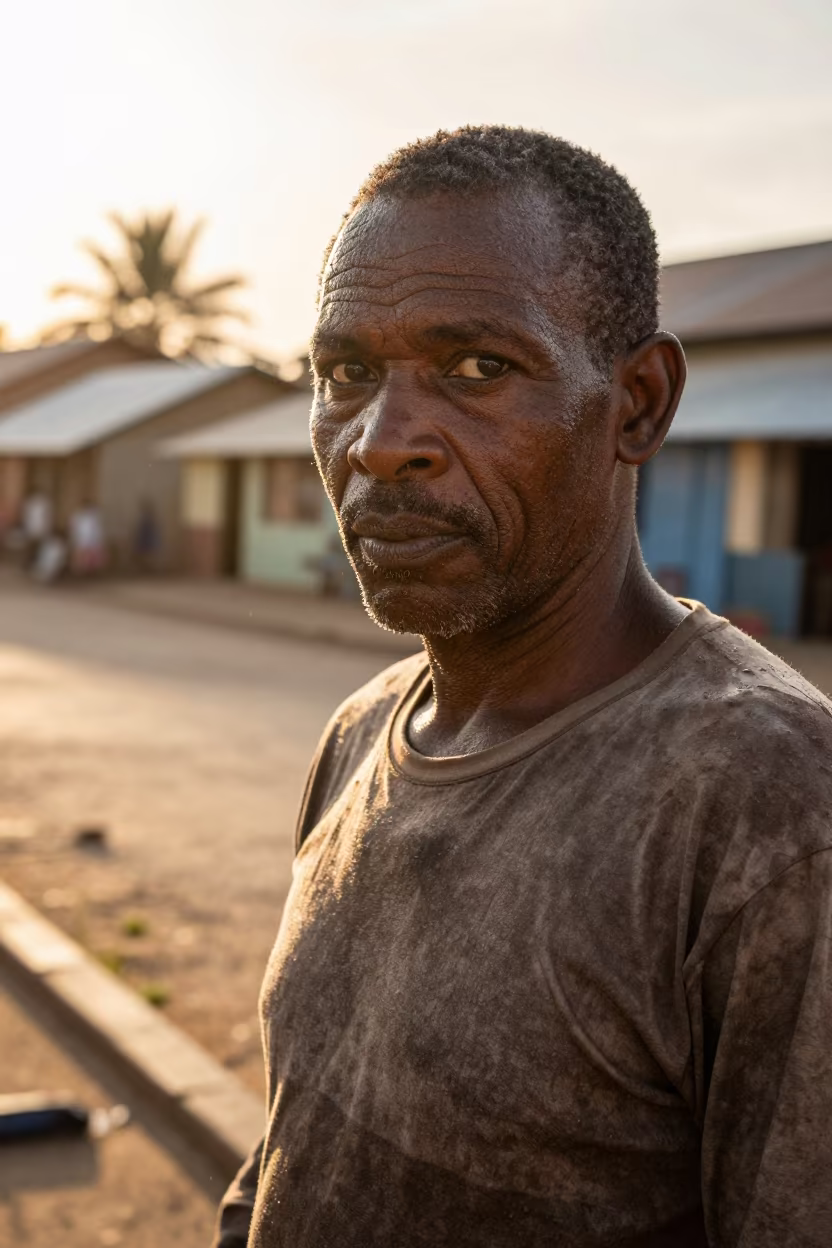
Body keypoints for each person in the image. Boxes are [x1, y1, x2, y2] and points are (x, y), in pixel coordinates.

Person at [215, 128, 832, 1248]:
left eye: (478, 370)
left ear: (637, 404)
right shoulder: (362, 733)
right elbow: (292, 1142)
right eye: (346, 374)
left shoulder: (769, 807)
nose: (380, 442)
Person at [68, 499, 106, 576]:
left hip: (92, 541)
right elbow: (74, 528)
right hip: (82, 540)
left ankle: (91, 572)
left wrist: (99, 540)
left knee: (92, 557)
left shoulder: (95, 516)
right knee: (82, 557)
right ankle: (81, 572)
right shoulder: (78, 515)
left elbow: (97, 530)